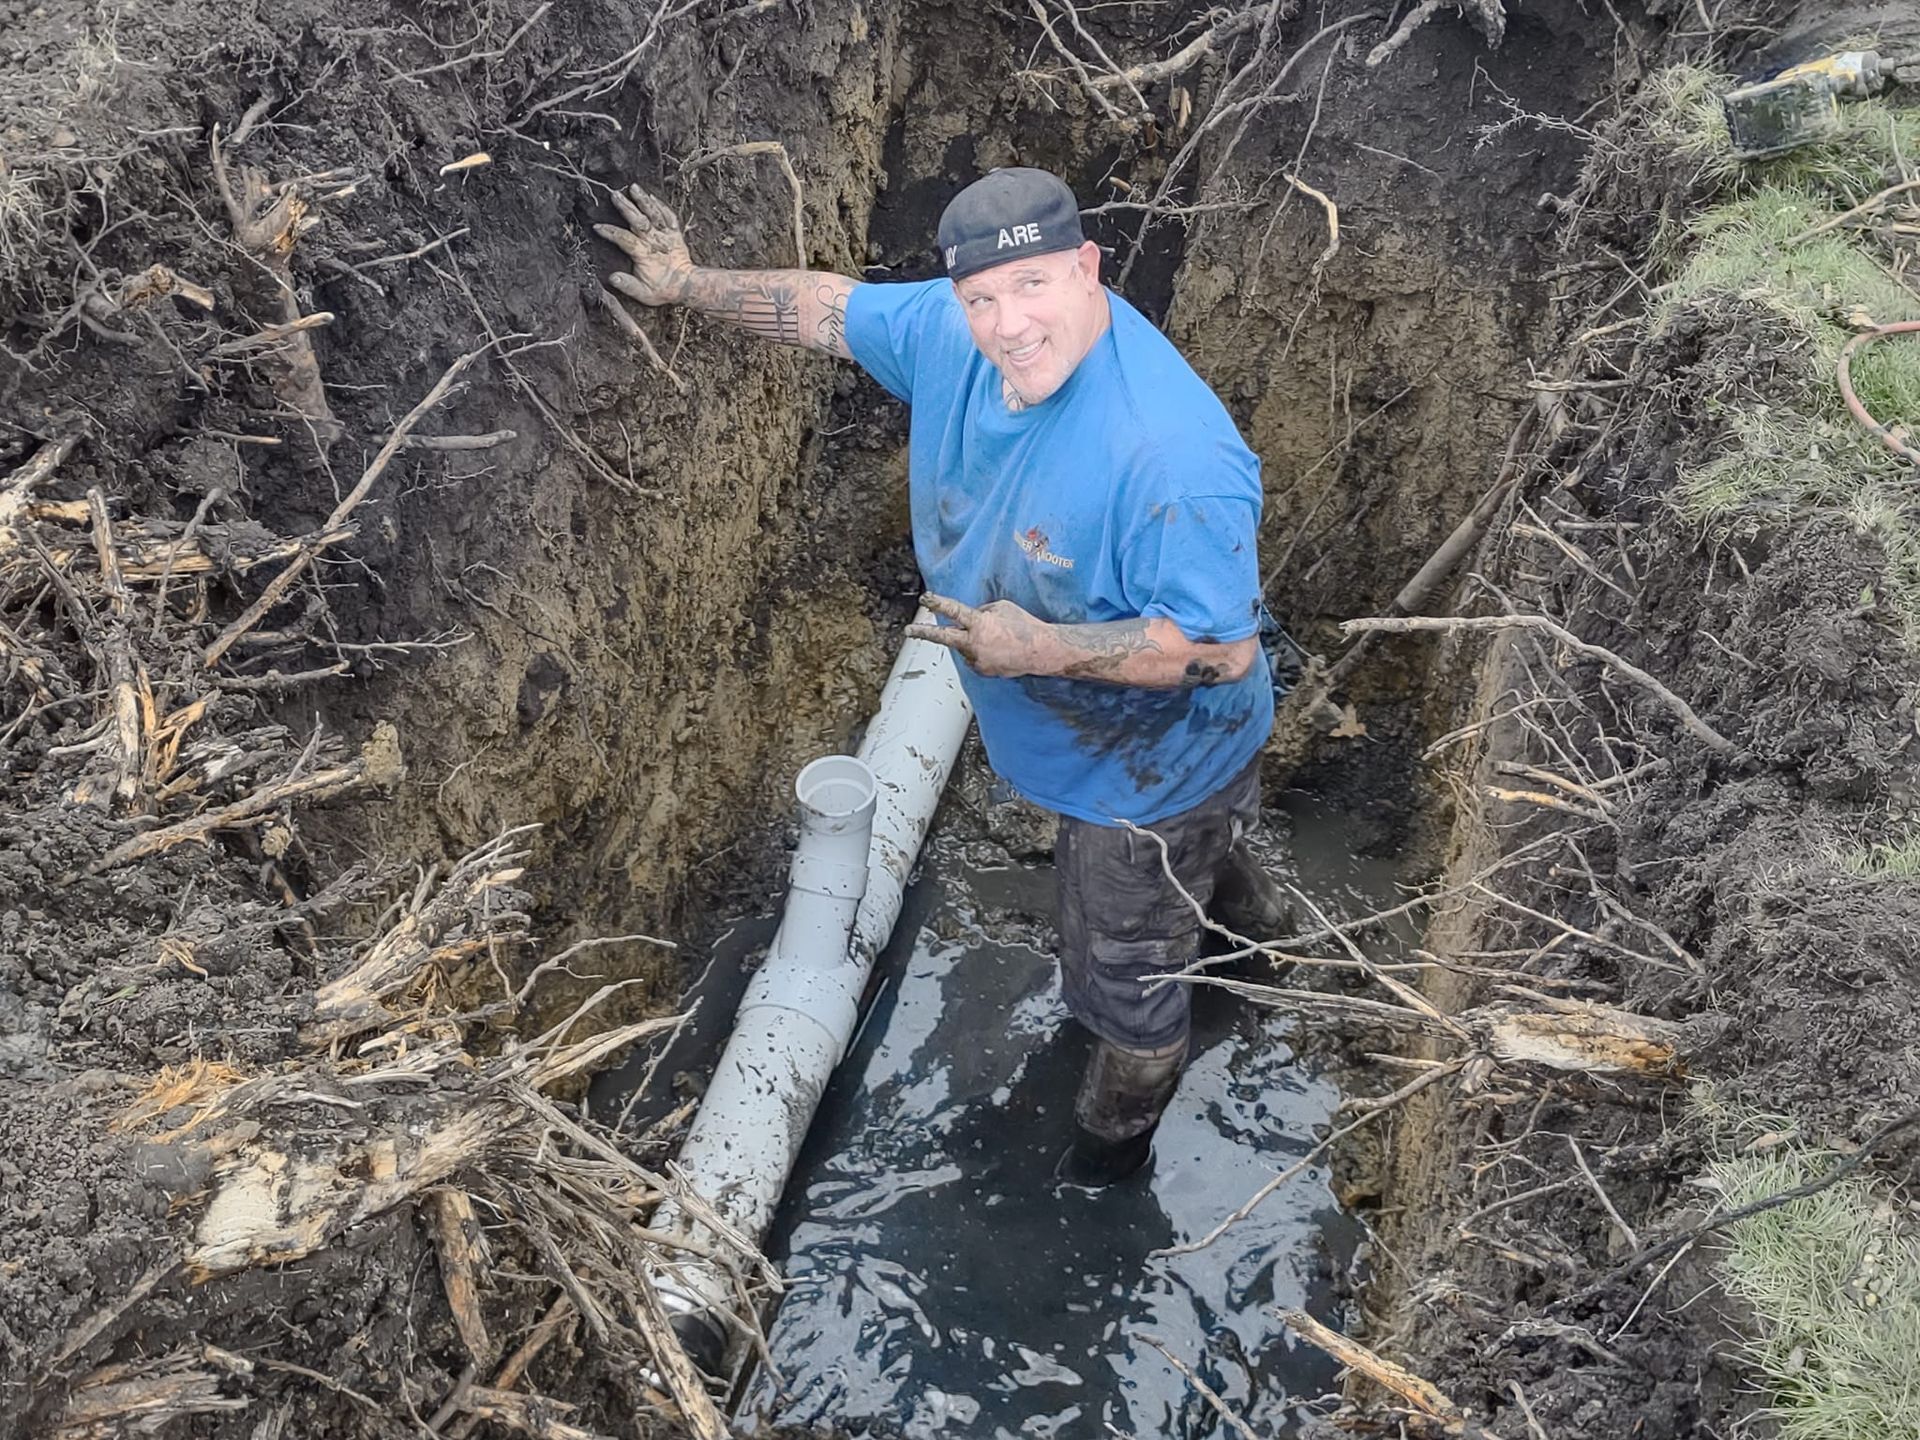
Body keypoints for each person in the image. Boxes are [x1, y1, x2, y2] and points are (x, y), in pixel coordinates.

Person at [598, 167, 1291, 1184]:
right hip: (1102, 757)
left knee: (1126, 983)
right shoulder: (953, 333)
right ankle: (1259, 961)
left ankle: (1104, 1165)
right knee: (1193, 880)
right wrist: (688, 284)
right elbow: (830, 311)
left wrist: (1041, 649)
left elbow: (1218, 650)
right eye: (983, 300)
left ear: (1088, 269)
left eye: (1036, 290)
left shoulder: (1168, 457)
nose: (1009, 326)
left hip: (1148, 777)